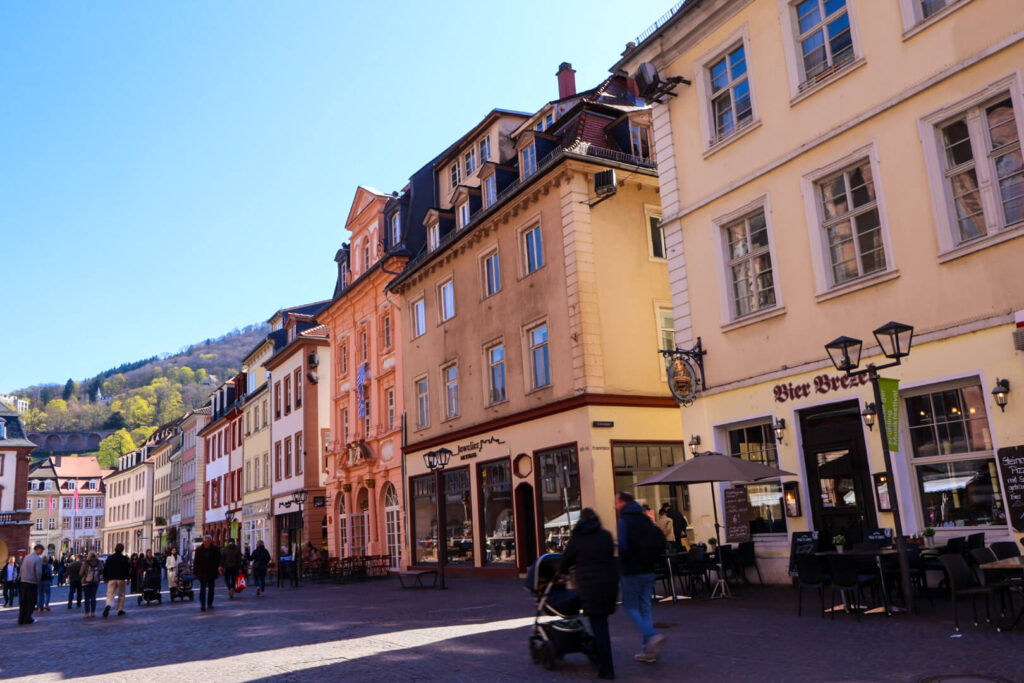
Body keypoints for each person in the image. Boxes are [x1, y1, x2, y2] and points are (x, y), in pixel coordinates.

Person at [559, 508, 619, 680]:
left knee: (599, 627)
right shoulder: (606, 536)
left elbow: (565, 561)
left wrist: (562, 571)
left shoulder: (578, 538)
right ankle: (602, 662)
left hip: (590, 588)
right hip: (608, 585)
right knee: (602, 625)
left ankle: (606, 668)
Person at [615, 491, 666, 663]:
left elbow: (622, 546)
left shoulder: (624, 520)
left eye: (616, 502)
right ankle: (648, 651)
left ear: (622, 503)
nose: (615, 505)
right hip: (649, 569)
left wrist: (622, 564)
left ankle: (652, 636)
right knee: (645, 607)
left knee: (630, 607)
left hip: (632, 570)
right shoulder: (644, 518)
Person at [193, 535, 221, 612]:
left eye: (208, 541)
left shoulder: (215, 549)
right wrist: (195, 572)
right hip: (202, 572)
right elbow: (196, 561)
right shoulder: (199, 550)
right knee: (202, 589)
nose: (207, 543)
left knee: (211, 589)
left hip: (212, 572)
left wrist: (219, 567)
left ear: (211, 541)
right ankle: (202, 604)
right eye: (205, 541)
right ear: (203, 542)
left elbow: (219, 559)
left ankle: (210, 603)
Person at [102, 543, 131, 618]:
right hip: (121, 578)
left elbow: (106, 568)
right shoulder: (124, 558)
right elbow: (127, 569)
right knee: (121, 594)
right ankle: (120, 609)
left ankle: (108, 605)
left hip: (111, 579)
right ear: (122, 550)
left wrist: (105, 577)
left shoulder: (110, 558)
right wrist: (128, 578)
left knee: (110, 594)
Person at [18, 545, 44, 625]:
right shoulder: (38, 559)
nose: (42, 552)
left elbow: (21, 568)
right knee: (31, 601)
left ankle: (21, 618)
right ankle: (28, 618)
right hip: (32, 582)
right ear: (38, 549)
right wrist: (38, 581)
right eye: (42, 550)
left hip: (23, 581)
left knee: (23, 601)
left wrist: (22, 577)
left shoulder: (27, 557)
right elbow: (38, 572)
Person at [80, 552, 104, 618]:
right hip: (95, 582)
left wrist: (85, 575)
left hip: (86, 582)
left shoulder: (86, 562)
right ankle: (93, 612)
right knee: (93, 597)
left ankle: (86, 613)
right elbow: (102, 571)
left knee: (86, 598)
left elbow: (81, 573)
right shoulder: (98, 562)